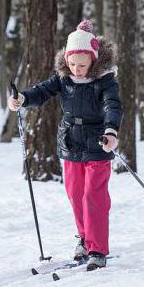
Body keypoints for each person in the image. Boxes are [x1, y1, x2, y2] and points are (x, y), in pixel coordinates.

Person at [8, 20, 122, 271]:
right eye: (72, 64)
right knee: (76, 194)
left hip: (97, 142)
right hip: (71, 141)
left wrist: (111, 130)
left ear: (93, 60)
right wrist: (22, 99)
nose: (77, 70)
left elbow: (113, 106)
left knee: (94, 196)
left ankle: (97, 248)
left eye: (82, 65)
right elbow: (41, 92)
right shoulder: (63, 78)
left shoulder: (105, 80)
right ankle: (84, 238)